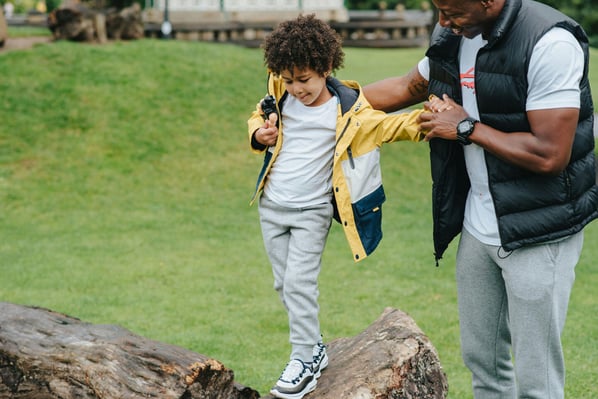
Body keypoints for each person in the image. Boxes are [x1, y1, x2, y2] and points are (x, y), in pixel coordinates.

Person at [363, 0, 598, 398]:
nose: (441, 20)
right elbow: (407, 87)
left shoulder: (550, 42)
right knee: (483, 365)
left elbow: (550, 154)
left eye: (450, 9)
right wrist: (319, 105)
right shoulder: (454, 34)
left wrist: (466, 127)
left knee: (536, 379)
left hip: (538, 231)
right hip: (478, 226)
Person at [247, 14, 427, 399]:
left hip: (312, 212)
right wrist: (258, 133)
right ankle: (313, 346)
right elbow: (257, 116)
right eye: (289, 80)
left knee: (299, 282)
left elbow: (390, 127)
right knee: (284, 284)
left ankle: (305, 358)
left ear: (326, 68)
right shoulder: (279, 92)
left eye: (304, 80)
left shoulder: (350, 111)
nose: (297, 89)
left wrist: (428, 121)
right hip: (272, 206)